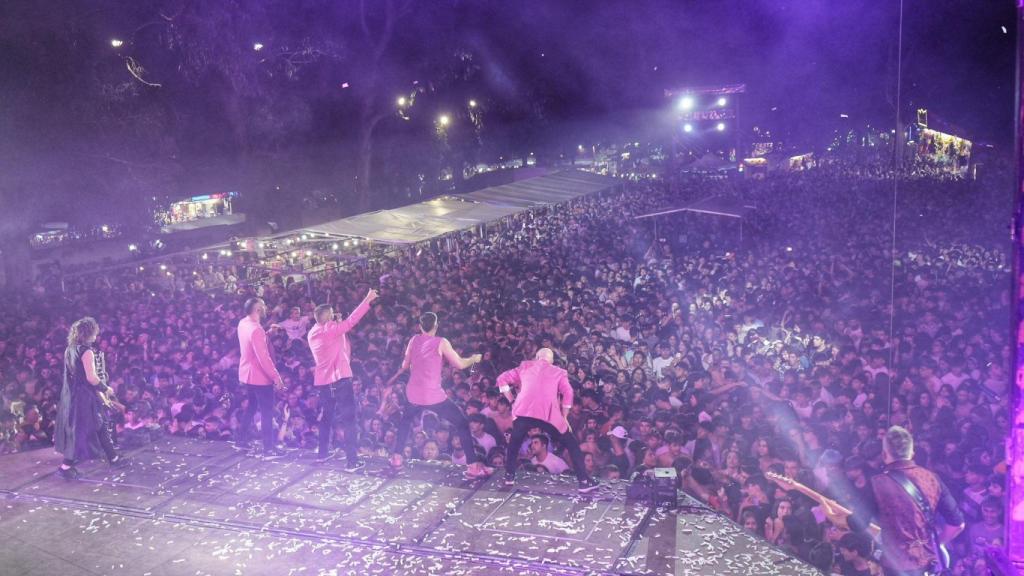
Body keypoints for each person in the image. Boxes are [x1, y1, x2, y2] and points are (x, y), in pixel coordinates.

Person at [823, 426, 964, 576]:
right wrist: (936, 544)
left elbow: (858, 523)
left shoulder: (876, 483)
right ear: (912, 453)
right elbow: (957, 524)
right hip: (929, 563)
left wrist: (834, 517)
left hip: (896, 566)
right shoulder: (932, 479)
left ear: (884, 455)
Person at [388, 312, 491, 479]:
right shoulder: (441, 342)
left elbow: (405, 364)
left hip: (413, 393)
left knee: (405, 422)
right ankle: (473, 466)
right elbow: (459, 363)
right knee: (462, 423)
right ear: (436, 326)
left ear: (420, 327)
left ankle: (396, 459)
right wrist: (474, 358)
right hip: (433, 396)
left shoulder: (414, 340)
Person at [497, 348, 599, 493]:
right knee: (572, 445)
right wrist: (564, 416)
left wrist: (512, 400)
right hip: (549, 415)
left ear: (537, 357)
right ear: (551, 360)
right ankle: (583, 481)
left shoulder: (525, 366)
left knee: (514, 442)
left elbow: (501, 379)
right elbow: (568, 393)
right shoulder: (558, 372)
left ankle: (509, 476)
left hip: (524, 412)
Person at [307, 288, 378, 468]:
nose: (334, 316)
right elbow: (352, 321)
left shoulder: (313, 332)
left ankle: (322, 454)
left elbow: (341, 347)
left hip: (324, 383)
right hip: (340, 380)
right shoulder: (330, 329)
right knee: (349, 421)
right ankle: (352, 462)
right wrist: (367, 300)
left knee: (326, 418)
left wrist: (337, 326)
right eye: (331, 314)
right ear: (327, 317)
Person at [54, 317, 126, 479]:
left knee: (98, 424)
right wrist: (106, 388)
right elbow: (91, 377)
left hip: (71, 395)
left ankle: (113, 457)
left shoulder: (69, 349)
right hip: (84, 396)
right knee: (84, 429)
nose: (96, 336)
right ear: (89, 333)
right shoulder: (87, 352)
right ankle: (65, 466)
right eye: (94, 333)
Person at [237, 297, 286, 458]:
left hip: (247, 374)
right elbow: (263, 358)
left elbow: (254, 342)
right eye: (263, 306)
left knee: (251, 407)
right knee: (267, 412)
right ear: (257, 309)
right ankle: (268, 449)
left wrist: (267, 334)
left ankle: (241, 440)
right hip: (259, 376)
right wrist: (276, 377)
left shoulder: (243, 323)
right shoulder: (256, 330)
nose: (266, 308)